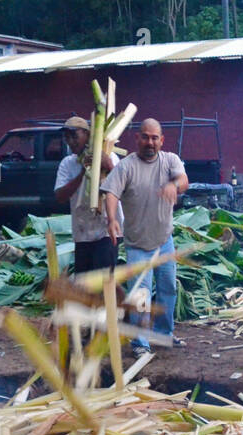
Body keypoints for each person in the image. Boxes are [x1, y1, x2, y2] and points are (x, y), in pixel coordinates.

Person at [101, 118, 187, 356]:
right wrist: (111, 219)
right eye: (146, 137)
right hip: (138, 244)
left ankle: (163, 334)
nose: (150, 142)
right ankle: (140, 342)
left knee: (168, 288)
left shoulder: (170, 160)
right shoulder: (126, 166)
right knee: (140, 294)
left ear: (161, 140)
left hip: (164, 240)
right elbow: (110, 193)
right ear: (137, 138)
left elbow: (183, 180)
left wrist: (174, 186)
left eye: (154, 138)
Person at [53, 115, 118, 275]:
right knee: (83, 285)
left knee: (103, 283)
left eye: (74, 135)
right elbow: (60, 196)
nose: (70, 141)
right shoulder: (67, 164)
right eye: (67, 137)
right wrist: (83, 172)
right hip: (82, 234)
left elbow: (124, 188)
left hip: (106, 232)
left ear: (87, 135)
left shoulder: (110, 156)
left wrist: (108, 165)